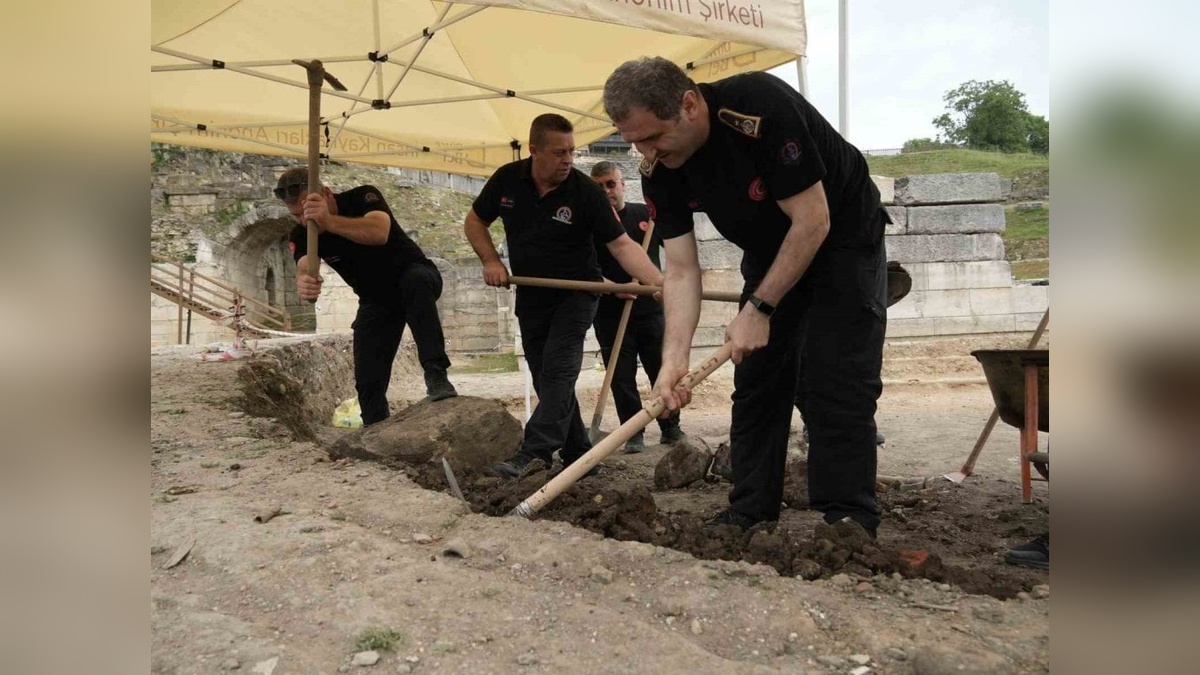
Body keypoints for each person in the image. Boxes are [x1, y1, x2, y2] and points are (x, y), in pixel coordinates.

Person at [603, 57, 891, 535]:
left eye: (652, 136)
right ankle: (750, 512)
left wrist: (759, 308)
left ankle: (848, 519)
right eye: (634, 141)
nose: (645, 151)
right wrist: (673, 361)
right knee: (757, 378)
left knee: (835, 376)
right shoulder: (661, 168)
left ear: (689, 105)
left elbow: (813, 221)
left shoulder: (759, 107)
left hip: (842, 238)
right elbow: (679, 270)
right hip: (769, 249)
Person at [464, 114, 665, 478]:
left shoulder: (585, 192)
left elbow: (621, 244)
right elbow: (475, 221)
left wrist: (657, 282)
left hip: (577, 292)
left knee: (559, 368)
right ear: (534, 150)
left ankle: (534, 452)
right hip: (533, 292)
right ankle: (578, 456)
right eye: (559, 152)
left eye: (572, 151)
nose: (568, 160)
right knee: (545, 376)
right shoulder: (507, 180)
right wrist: (491, 260)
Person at [278, 167, 457, 426]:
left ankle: (436, 373)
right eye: (297, 216)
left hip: (415, 276)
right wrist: (304, 280)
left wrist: (329, 221)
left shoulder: (363, 196)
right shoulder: (303, 233)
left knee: (414, 281)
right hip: (376, 299)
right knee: (368, 380)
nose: (306, 221)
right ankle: (376, 430)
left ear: (326, 194)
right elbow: (306, 265)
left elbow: (378, 232)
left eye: (307, 211)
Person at [589, 160, 685, 453]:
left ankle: (671, 427)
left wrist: (669, 282)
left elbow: (679, 254)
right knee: (621, 377)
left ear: (622, 184)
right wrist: (612, 287)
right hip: (609, 314)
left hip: (651, 312)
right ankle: (633, 432)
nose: (607, 191)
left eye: (611, 184)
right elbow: (584, 267)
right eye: (600, 186)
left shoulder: (647, 216)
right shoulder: (590, 223)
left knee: (660, 369)